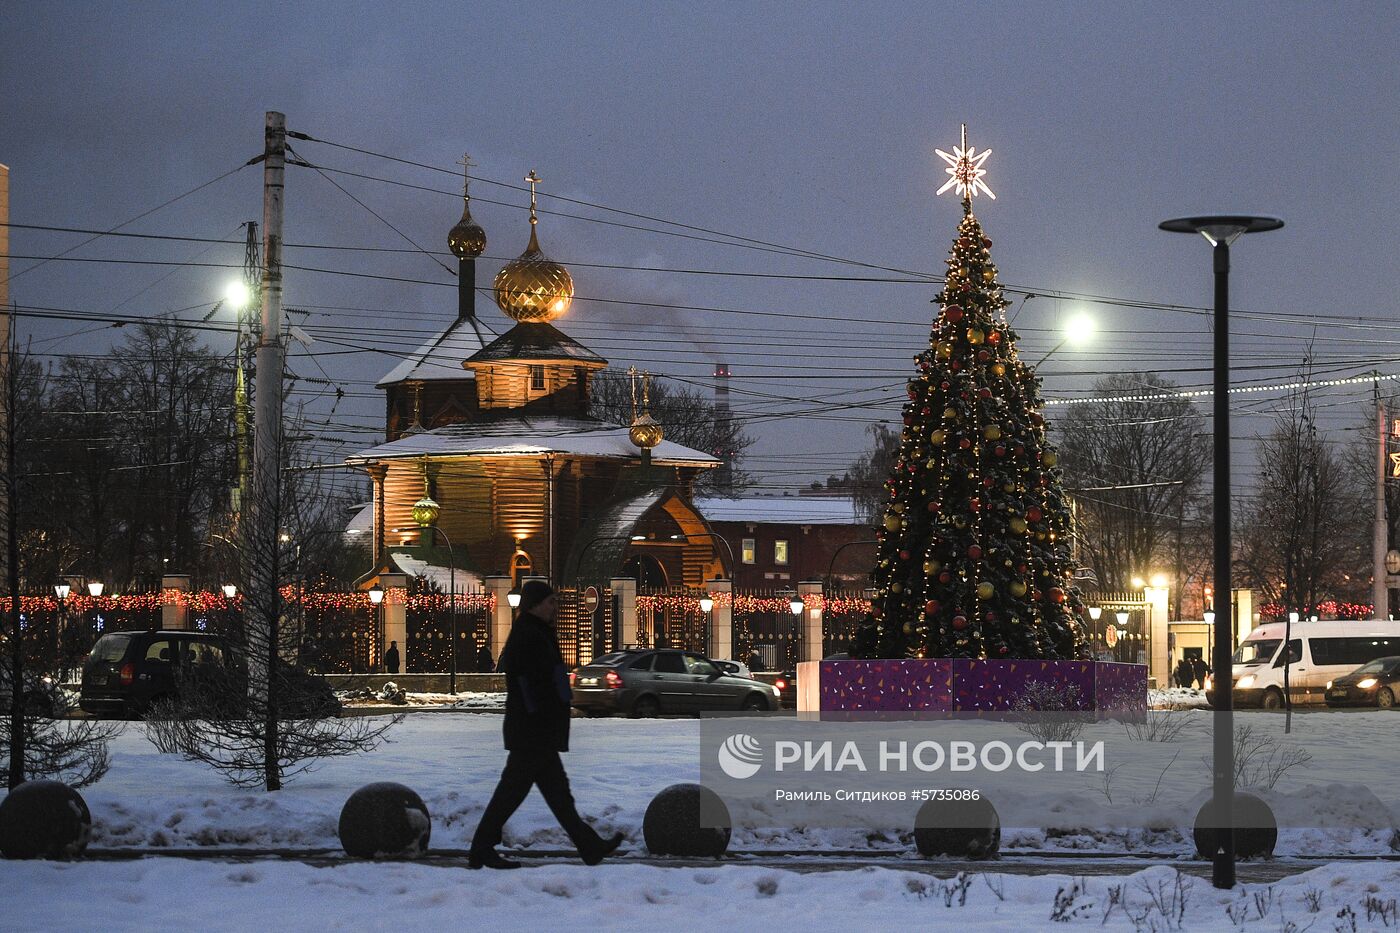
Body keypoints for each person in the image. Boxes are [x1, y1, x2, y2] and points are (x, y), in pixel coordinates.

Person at [470, 580, 623, 870]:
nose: (555, 607)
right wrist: (539, 714)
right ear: (535, 605)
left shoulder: (536, 632)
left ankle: (590, 847)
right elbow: (524, 683)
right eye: (550, 602)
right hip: (533, 731)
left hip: (536, 729)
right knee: (516, 793)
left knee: (556, 794)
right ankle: (481, 849)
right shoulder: (528, 635)